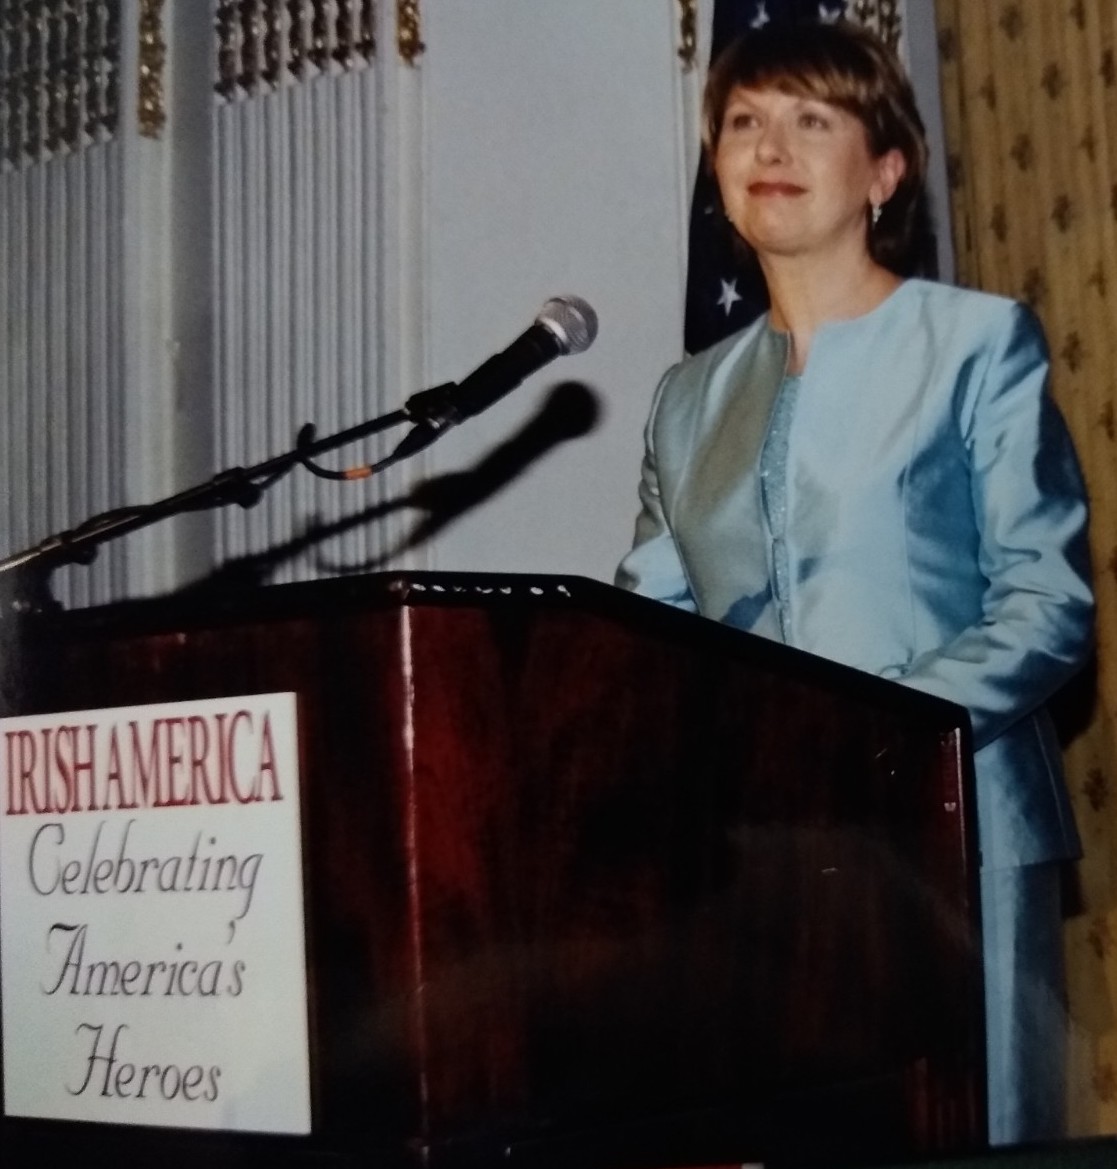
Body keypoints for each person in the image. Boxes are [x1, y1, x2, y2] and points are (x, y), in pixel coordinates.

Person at [615, 19, 1094, 1147]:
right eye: (742, 122)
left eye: (809, 119)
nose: (766, 145)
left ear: (883, 170)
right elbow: (649, 632)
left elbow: (1047, 603)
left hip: (956, 833)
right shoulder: (685, 398)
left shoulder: (977, 343)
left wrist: (871, 734)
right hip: (759, 853)